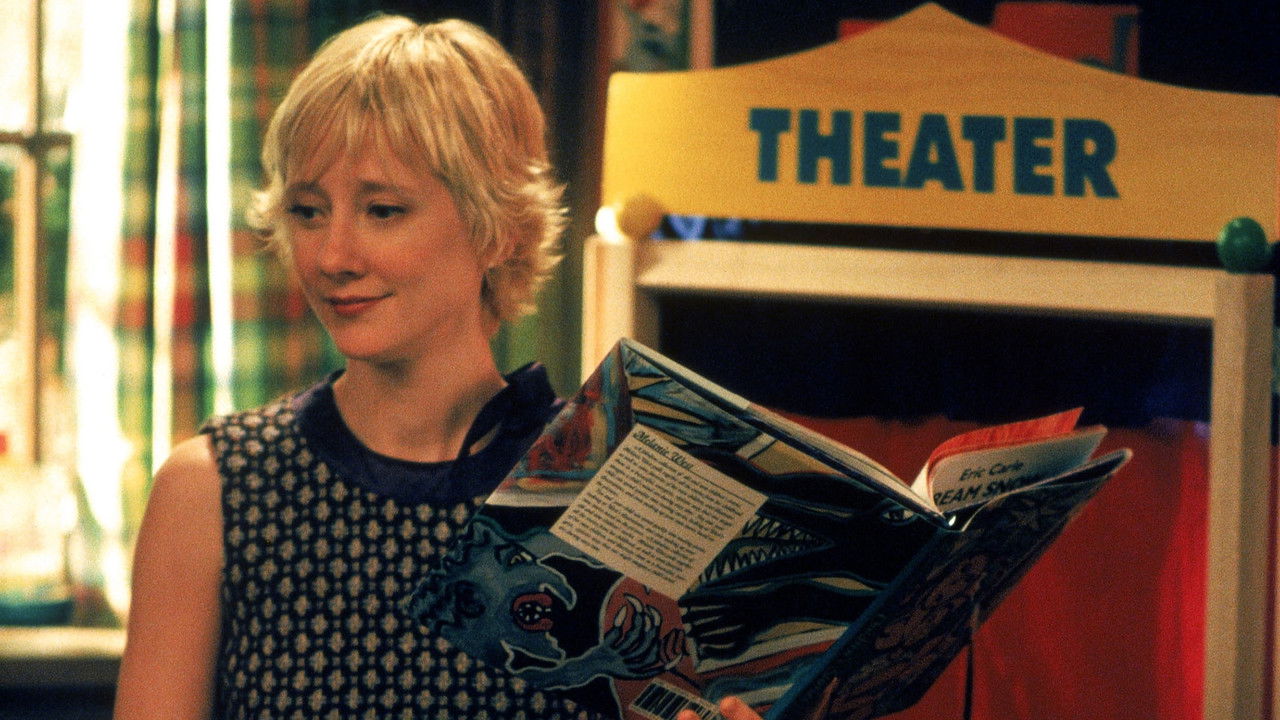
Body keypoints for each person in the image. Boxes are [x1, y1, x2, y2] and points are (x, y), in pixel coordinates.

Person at [114, 15, 587, 719]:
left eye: (383, 210)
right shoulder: (212, 490)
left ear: (500, 229)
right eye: (308, 211)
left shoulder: (596, 482)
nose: (332, 256)